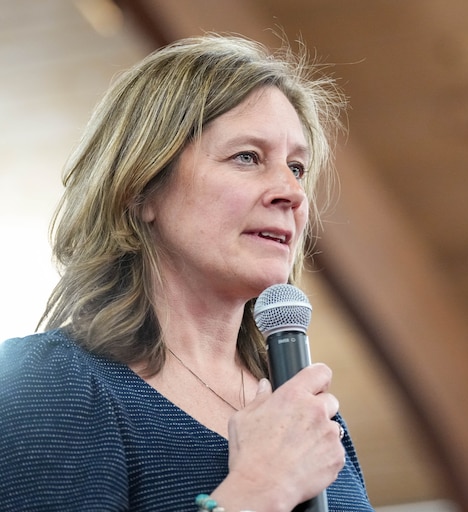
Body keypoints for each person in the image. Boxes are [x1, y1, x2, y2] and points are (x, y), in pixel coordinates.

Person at [0, 34, 374, 512]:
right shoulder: (50, 381)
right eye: (247, 157)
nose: (291, 193)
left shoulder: (307, 413)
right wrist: (260, 488)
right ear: (141, 188)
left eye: (297, 168)